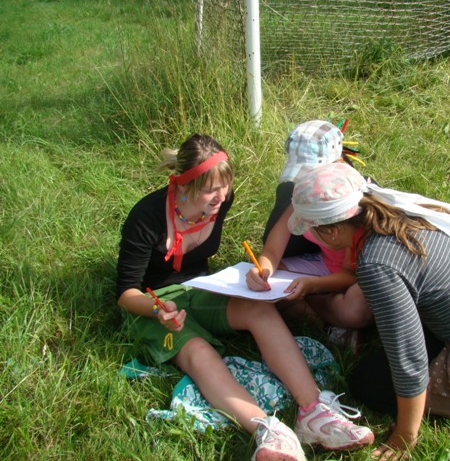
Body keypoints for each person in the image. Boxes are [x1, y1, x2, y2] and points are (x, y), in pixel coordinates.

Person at [116, 134, 374, 461]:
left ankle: (314, 410)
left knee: (260, 310)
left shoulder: (221, 201)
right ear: (183, 184)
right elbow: (125, 294)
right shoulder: (146, 217)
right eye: (211, 190)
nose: (221, 196)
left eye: (225, 186)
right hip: (153, 303)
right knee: (198, 351)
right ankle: (267, 430)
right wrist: (157, 310)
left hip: (201, 288)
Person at [286, 162, 450, 460]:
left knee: (368, 384)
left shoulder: (378, 264)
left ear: (332, 230)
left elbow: (408, 359)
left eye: (313, 230)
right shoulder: (393, 208)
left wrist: (404, 435)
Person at [247, 120, 373, 336]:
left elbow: (349, 273)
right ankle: (328, 327)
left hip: (354, 276)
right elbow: (273, 250)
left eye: (309, 174)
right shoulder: (304, 193)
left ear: (338, 163)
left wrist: (312, 286)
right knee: (262, 281)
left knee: (355, 310)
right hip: (323, 266)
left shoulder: (350, 204)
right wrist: (262, 271)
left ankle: (314, 312)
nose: (302, 182)